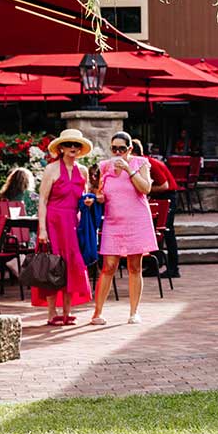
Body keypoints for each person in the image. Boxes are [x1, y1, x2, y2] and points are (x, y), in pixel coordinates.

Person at [89, 132, 158, 325]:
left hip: (136, 220)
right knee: (108, 266)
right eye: (114, 148)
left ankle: (134, 312)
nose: (117, 152)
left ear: (129, 149)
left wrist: (129, 170)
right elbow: (102, 192)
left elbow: (145, 189)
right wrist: (97, 197)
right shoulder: (105, 166)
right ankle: (97, 313)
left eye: (121, 148)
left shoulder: (140, 163)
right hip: (113, 221)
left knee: (134, 267)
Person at [33, 129, 94, 326]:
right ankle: (52, 313)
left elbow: (83, 198)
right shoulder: (51, 169)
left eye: (77, 145)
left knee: (72, 266)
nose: (73, 148)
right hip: (53, 221)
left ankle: (67, 312)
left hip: (73, 223)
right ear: (61, 148)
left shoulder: (83, 171)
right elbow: (42, 200)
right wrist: (42, 229)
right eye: (69, 145)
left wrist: (88, 204)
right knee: (53, 265)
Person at [130, 137, 181, 279]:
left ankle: (173, 267)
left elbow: (164, 185)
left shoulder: (148, 163)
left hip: (167, 197)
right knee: (151, 231)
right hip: (157, 198)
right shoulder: (137, 165)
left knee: (167, 231)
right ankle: (154, 265)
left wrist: (145, 190)